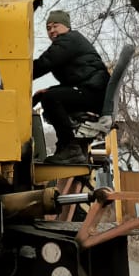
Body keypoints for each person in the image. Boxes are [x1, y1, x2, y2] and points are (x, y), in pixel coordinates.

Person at [32, 10, 109, 164]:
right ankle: (65, 148)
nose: (52, 30)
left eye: (55, 26)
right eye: (48, 28)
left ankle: (70, 149)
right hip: (91, 91)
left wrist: (18, 72)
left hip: (92, 93)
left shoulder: (68, 40)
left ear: (66, 26)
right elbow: (74, 79)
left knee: (51, 99)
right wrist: (48, 90)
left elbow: (45, 63)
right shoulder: (70, 41)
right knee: (49, 95)